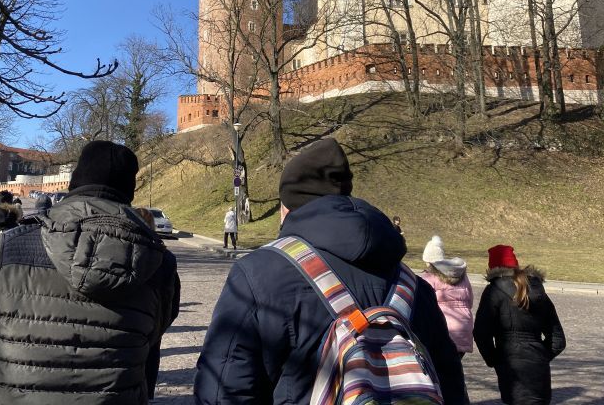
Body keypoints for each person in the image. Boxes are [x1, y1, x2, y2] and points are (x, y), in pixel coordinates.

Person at [194, 138, 466, 404]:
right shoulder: (415, 286)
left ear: (286, 208)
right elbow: (450, 386)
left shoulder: (257, 274)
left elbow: (222, 391)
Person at [0, 140, 180, 404]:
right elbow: (152, 336)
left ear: (73, 183)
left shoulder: (10, 247)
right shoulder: (159, 262)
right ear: (130, 190)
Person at [474, 244, 566, 405]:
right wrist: (540, 356)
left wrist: (494, 359)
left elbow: (481, 333)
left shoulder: (493, 291)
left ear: (493, 268)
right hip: (538, 364)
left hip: (509, 363)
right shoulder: (538, 290)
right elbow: (558, 340)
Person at [420, 235, 473, 404]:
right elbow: (470, 300)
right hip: (463, 328)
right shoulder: (462, 276)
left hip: (444, 331)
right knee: (454, 369)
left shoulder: (427, 279)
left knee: (440, 372)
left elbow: (424, 307)